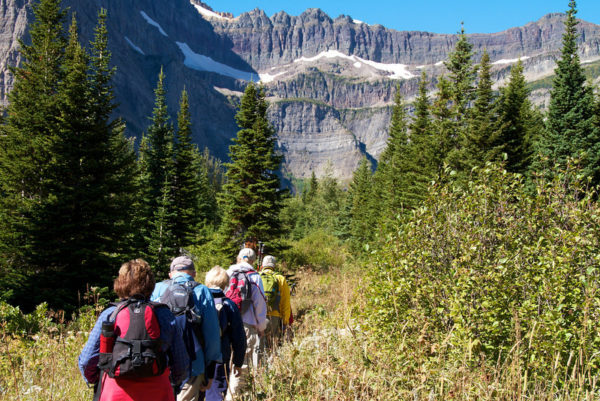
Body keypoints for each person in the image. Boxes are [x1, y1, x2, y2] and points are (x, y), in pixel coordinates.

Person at [79, 259, 189, 401]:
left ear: (120, 284)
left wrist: (95, 379)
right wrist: (174, 383)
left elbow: (86, 361)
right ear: (151, 285)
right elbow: (181, 364)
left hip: (115, 393)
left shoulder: (110, 314)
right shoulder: (164, 315)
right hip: (158, 392)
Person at [152, 256, 222, 401]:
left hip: (160, 366)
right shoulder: (202, 291)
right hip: (193, 365)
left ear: (171, 274)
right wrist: (210, 368)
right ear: (194, 274)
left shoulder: (157, 289)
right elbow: (212, 335)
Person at [225, 248, 267, 397]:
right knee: (241, 364)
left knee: (225, 362)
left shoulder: (227, 273)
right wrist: (261, 327)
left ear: (238, 258)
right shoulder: (254, 277)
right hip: (246, 326)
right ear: (254, 261)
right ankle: (234, 396)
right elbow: (260, 304)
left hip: (225, 324)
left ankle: (221, 394)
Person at [202, 266, 247, 401]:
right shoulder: (229, 305)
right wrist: (238, 363)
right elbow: (239, 338)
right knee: (216, 394)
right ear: (226, 284)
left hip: (198, 357)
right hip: (221, 357)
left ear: (207, 282)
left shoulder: (198, 301)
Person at [258, 255, 291, 349]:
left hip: (258, 316)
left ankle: (259, 362)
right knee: (272, 346)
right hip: (275, 316)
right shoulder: (280, 279)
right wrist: (285, 321)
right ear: (274, 266)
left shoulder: (257, 276)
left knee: (259, 346)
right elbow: (286, 302)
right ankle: (271, 362)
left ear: (262, 265)